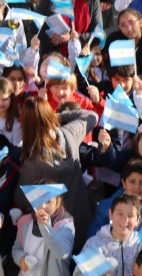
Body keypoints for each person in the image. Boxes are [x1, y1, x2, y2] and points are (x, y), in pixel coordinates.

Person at [15, 98, 97, 247]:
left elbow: (21, 199)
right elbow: (91, 116)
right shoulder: (70, 133)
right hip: (83, 214)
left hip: (55, 229)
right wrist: (57, 117)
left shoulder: (32, 164)